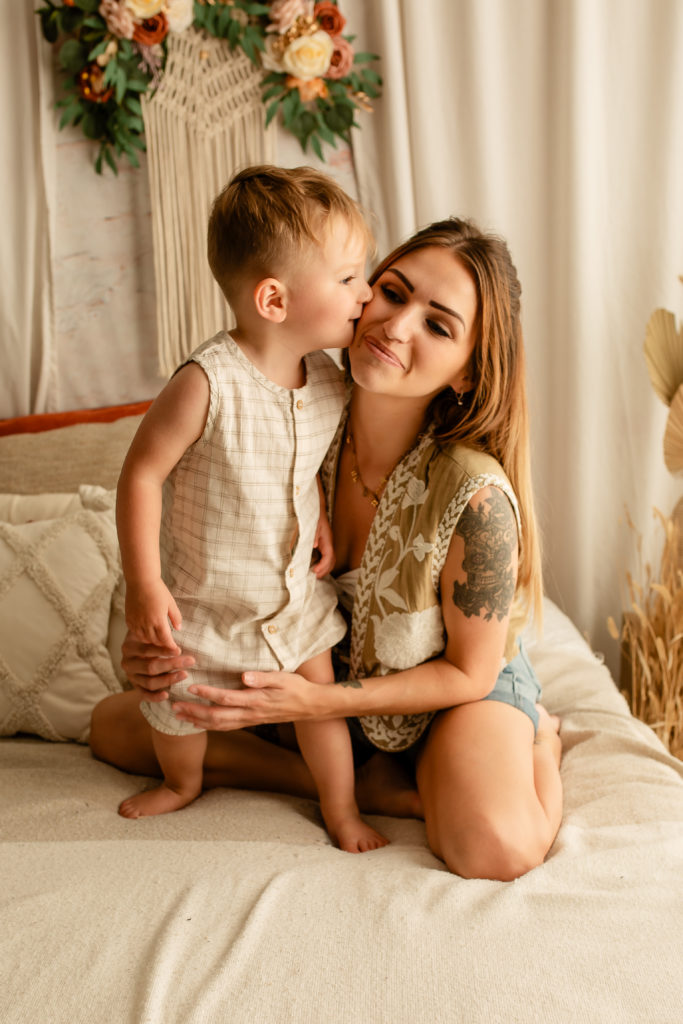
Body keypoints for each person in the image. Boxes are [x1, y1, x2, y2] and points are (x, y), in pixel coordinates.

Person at [92, 215, 563, 880]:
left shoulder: (475, 496)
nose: (397, 327)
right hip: (326, 672)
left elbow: (469, 674)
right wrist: (161, 645)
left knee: (495, 848)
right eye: (393, 292)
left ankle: (538, 741)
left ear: (465, 372)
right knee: (113, 727)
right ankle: (343, 780)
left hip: (450, 690)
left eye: (438, 325)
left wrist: (318, 706)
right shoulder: (300, 414)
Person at [114, 164, 388, 854]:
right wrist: (146, 586)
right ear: (273, 299)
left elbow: (304, 467)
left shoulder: (329, 380)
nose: (365, 293)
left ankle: (341, 809)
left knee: (316, 701)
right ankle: (182, 784)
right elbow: (142, 476)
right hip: (202, 600)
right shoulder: (207, 383)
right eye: (348, 278)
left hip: (292, 598)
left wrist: (319, 515)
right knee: (178, 707)